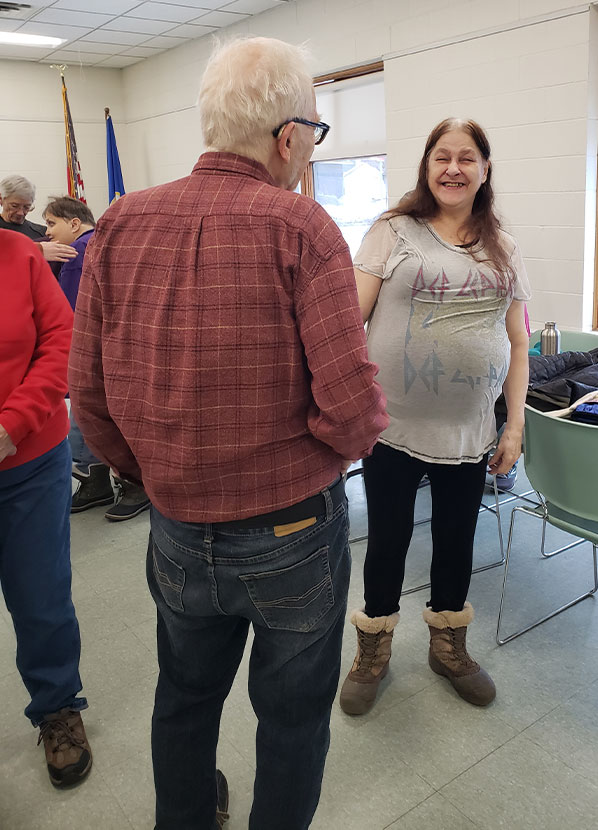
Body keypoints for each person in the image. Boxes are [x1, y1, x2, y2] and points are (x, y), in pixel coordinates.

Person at [69, 36, 388, 830]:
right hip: (290, 533)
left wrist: (156, 473)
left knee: (182, 697)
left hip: (176, 529)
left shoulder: (118, 221)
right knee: (289, 716)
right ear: (288, 137)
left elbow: (89, 396)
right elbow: (351, 413)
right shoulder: (303, 229)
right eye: (314, 133)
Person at [340, 118, 530, 715]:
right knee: (388, 542)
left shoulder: (504, 244)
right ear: (426, 167)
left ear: (485, 169)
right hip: (390, 427)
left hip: (470, 430)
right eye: (442, 157)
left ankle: (448, 647)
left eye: (467, 158)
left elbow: (519, 342)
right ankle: (374, 646)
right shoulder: (393, 232)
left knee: (456, 540)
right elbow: (349, 324)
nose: (454, 168)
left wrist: (516, 422)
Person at [0, 230, 92, 786]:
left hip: (29, 462)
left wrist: (11, 426)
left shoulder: (19, 252)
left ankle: (58, 707)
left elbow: (62, 338)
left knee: (41, 596)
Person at [43, 195, 151, 520]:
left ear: (74, 223)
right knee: (94, 419)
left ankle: (128, 484)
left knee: (95, 418)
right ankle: (101, 481)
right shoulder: (107, 241)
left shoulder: (77, 253)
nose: (47, 233)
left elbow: (73, 313)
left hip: (95, 351)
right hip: (124, 347)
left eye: (51, 224)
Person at [0, 174, 77, 266]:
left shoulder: (42, 232)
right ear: (1, 199)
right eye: (14, 206)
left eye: (26, 207)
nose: (20, 212)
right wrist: (37, 250)